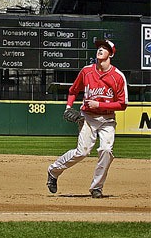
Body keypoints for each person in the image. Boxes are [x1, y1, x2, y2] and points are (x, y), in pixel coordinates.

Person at [47, 39, 128, 198]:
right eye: (99, 47)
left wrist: (99, 105)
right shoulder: (87, 71)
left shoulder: (117, 77)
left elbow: (122, 104)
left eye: (104, 48)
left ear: (110, 54)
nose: (100, 49)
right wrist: (68, 107)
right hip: (88, 118)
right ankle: (53, 171)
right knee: (82, 152)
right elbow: (72, 91)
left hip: (107, 120)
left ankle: (96, 187)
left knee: (106, 150)